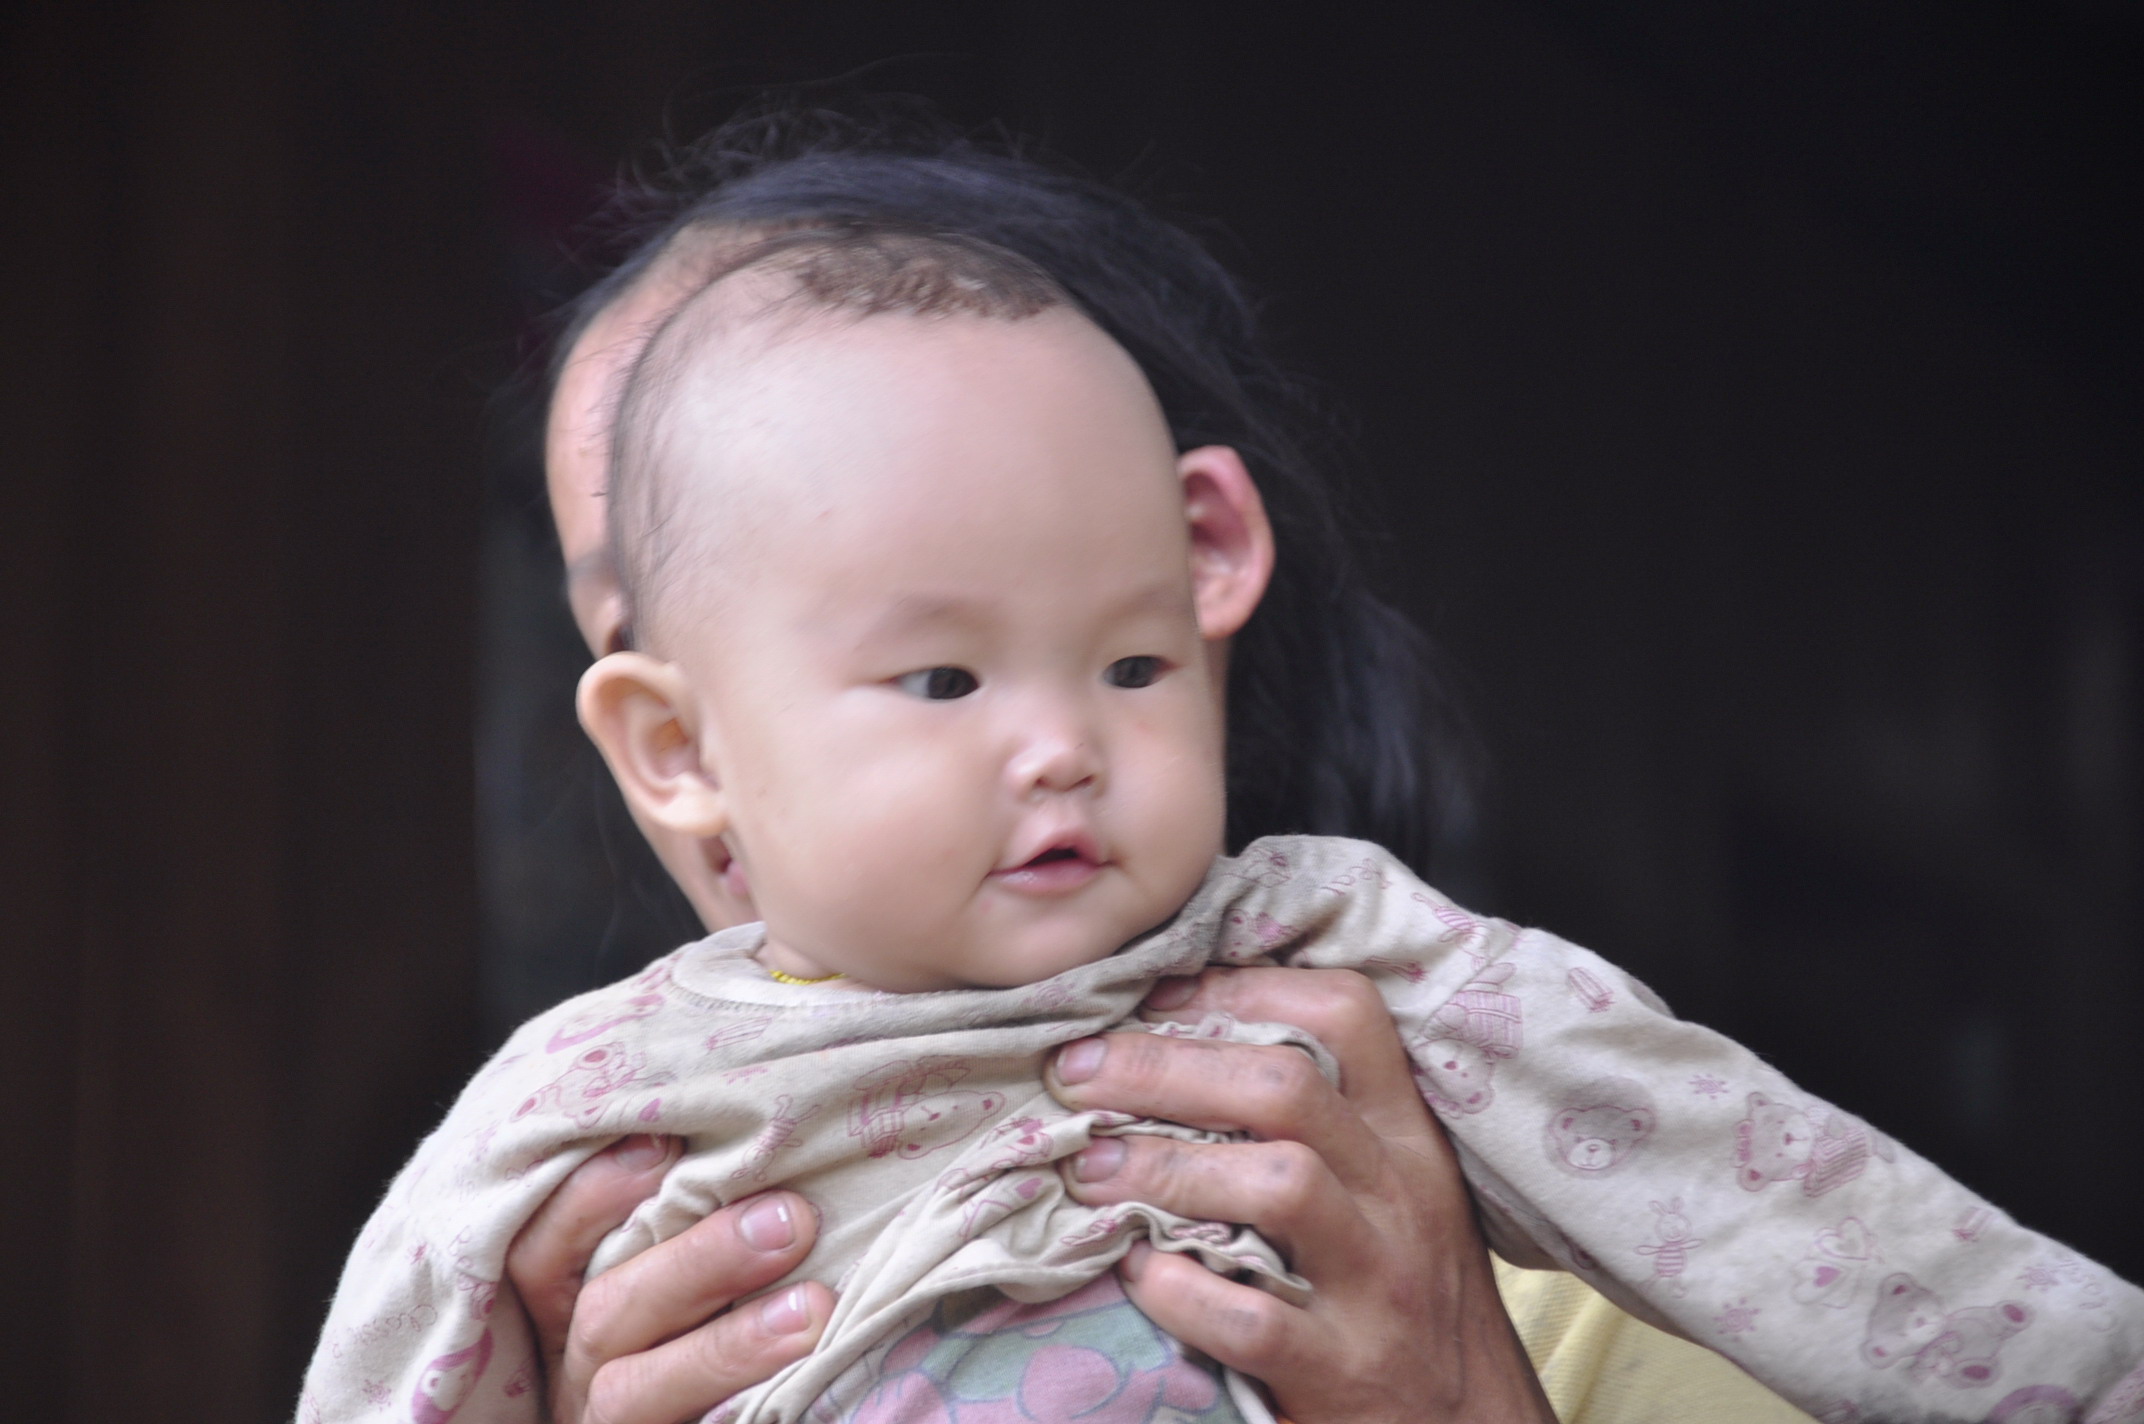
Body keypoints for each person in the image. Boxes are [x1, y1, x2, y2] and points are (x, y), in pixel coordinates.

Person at [298, 144, 2142, 1422]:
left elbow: (1807, 1224)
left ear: (1200, 566)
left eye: (1097, 652)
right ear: (668, 736)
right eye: (635, 615)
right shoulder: (600, 1145)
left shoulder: (1459, 1122)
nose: (1045, 744)